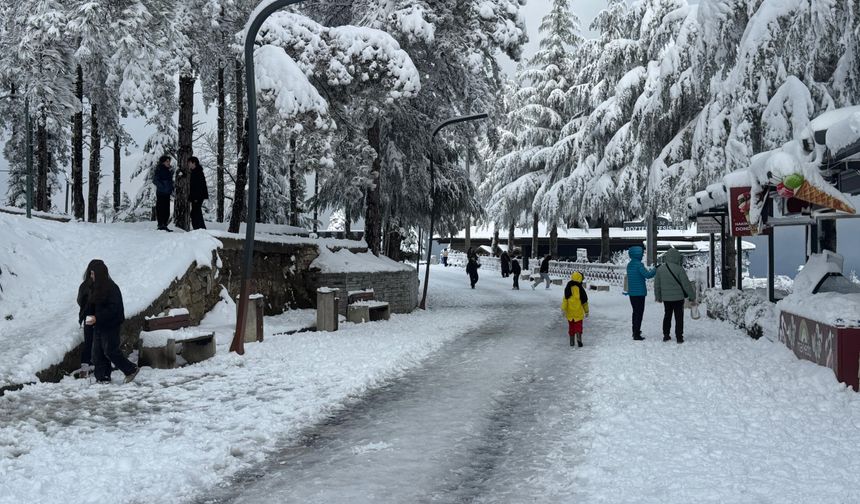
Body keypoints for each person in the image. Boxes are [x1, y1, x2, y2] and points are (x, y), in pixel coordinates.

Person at [85, 260, 139, 383]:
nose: (91, 276)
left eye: (93, 274)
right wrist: (89, 317)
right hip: (98, 325)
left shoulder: (112, 288)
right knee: (97, 354)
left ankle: (131, 369)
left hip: (111, 325)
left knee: (110, 351)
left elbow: (114, 309)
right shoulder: (95, 287)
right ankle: (102, 378)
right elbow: (92, 305)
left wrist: (97, 317)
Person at [654, 247, 695, 344]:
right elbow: (686, 284)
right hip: (678, 298)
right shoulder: (679, 269)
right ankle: (679, 337)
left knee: (667, 315)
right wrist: (692, 296)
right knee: (679, 317)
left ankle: (666, 335)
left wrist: (658, 297)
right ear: (677, 257)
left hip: (666, 298)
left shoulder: (660, 269)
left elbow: (657, 285)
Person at [626, 246, 656, 341]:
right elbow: (648, 275)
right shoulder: (639, 265)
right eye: (641, 253)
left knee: (635, 312)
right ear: (637, 254)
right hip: (640, 293)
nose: (643, 255)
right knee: (639, 313)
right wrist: (655, 269)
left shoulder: (629, 265)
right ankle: (636, 334)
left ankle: (634, 331)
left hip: (632, 293)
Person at [75, 261, 98, 378]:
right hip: (96, 315)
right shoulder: (100, 284)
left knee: (89, 339)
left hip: (89, 314)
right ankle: (92, 364)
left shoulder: (84, 285)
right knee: (96, 339)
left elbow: (79, 300)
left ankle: (85, 366)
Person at [562, 272, 589, 347]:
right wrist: (586, 311)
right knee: (578, 326)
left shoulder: (568, 288)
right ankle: (579, 337)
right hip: (578, 312)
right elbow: (584, 301)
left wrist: (563, 309)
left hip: (570, 312)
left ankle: (571, 340)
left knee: (571, 326)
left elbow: (565, 299)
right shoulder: (581, 289)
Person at [153, 155, 175, 231]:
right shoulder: (159, 169)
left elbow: (170, 182)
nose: (169, 163)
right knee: (161, 209)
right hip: (161, 193)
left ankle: (164, 225)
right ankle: (160, 225)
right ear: (163, 162)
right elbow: (155, 180)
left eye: (169, 161)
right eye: (167, 161)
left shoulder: (168, 170)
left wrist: (171, 189)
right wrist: (163, 187)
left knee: (166, 210)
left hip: (167, 193)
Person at [187, 156, 209, 230]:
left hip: (197, 197)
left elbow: (199, 186)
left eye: (189, 163)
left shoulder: (197, 172)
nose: (188, 164)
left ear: (194, 163)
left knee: (195, 213)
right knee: (195, 213)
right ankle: (199, 229)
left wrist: (196, 197)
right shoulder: (195, 171)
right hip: (196, 196)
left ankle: (200, 229)